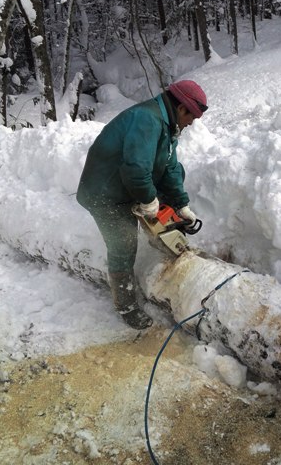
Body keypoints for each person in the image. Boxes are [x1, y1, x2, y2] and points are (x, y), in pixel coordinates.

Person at [76, 80, 207, 330]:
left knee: (179, 173)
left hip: (127, 185)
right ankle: (125, 306)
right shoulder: (147, 119)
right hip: (105, 193)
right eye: (192, 117)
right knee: (123, 242)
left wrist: (181, 205)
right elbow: (135, 168)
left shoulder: (168, 126)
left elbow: (169, 167)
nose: (192, 123)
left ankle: (163, 237)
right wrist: (148, 200)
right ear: (182, 109)